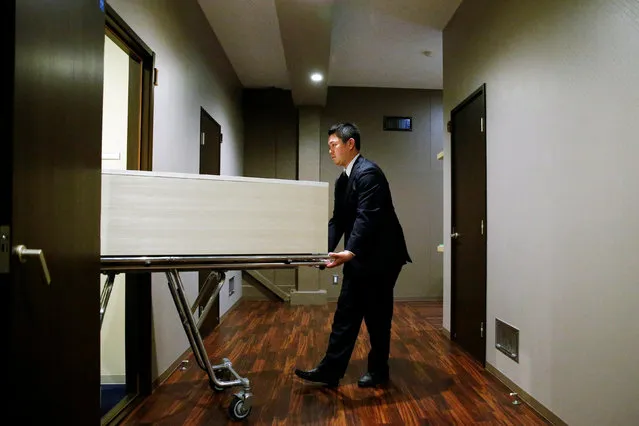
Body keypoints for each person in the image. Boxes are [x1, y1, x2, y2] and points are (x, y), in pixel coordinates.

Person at [294, 122, 411, 388]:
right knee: (346, 312)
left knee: (377, 317)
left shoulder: (369, 173)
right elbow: (339, 220)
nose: (330, 151)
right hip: (359, 256)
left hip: (382, 259)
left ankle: (379, 371)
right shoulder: (343, 180)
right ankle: (331, 371)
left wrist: (350, 250)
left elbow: (366, 217)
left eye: (333, 145)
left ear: (350, 144)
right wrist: (319, 250)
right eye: (328, 147)